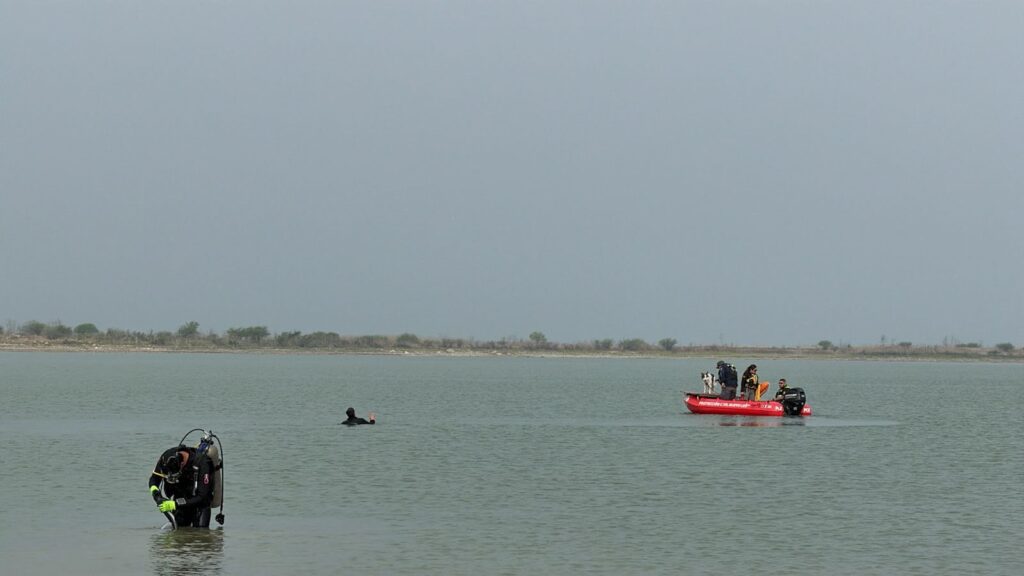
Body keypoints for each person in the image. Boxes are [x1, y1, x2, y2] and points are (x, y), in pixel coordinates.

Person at [148, 445, 217, 528]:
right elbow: (154, 479)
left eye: (175, 476)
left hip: (199, 503)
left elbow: (203, 497)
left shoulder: (203, 463)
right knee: (179, 533)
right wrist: (156, 494)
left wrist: (175, 504)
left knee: (201, 534)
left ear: (182, 464)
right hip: (180, 500)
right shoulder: (165, 458)